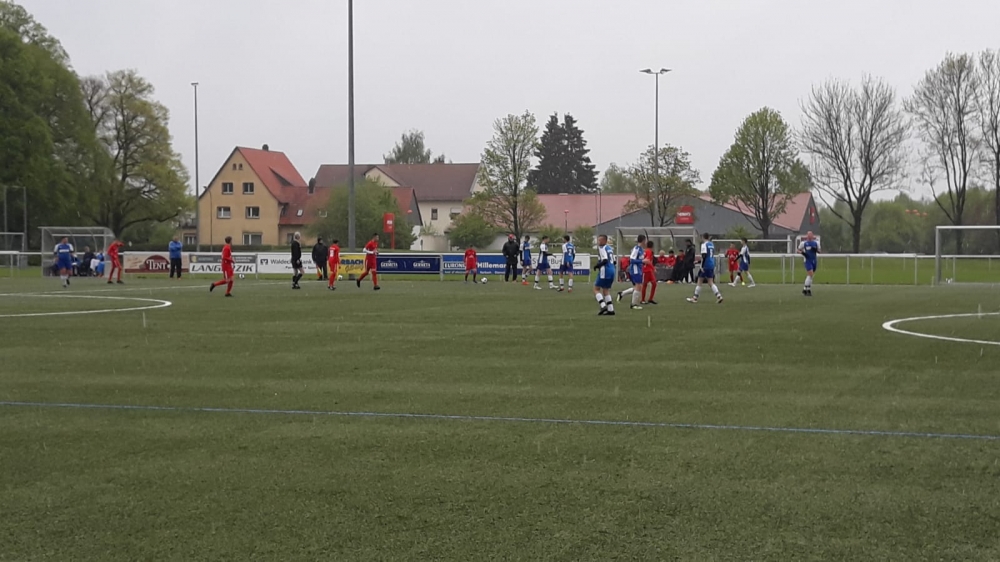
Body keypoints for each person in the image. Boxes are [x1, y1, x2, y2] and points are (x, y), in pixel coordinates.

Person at [686, 233, 724, 304]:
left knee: (700, 281)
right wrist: (698, 261)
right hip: (711, 264)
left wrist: (702, 266)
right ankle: (719, 296)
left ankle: (695, 298)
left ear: (703, 237)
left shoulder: (704, 245)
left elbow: (704, 256)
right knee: (710, 282)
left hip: (706, 265)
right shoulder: (711, 244)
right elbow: (709, 255)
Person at [617, 234, 646, 310]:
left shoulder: (641, 249)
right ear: (643, 240)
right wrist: (642, 261)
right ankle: (633, 304)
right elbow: (632, 260)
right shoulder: (636, 249)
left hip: (639, 270)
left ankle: (622, 294)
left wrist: (643, 262)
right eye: (645, 240)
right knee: (638, 286)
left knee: (637, 287)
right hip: (635, 270)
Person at [592, 234, 617, 316]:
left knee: (596, 288)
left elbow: (605, 260)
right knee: (606, 289)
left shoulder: (602, 248)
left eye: (600, 240)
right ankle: (611, 309)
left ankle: (603, 306)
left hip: (605, 271)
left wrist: (597, 266)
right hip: (612, 270)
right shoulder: (610, 248)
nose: (598, 242)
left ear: (605, 241)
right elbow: (614, 261)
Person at [799, 231, 820, 296]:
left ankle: (806, 289)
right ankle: (807, 289)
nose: (810, 236)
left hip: (814, 260)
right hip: (808, 260)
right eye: (808, 235)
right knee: (810, 274)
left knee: (811, 275)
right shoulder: (804, 243)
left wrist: (815, 250)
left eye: (811, 235)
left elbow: (819, 251)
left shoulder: (816, 243)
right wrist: (803, 253)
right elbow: (798, 250)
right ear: (807, 236)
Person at [641, 240, 658, 305]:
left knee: (653, 284)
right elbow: (648, 261)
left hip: (648, 270)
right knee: (645, 284)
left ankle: (650, 299)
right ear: (652, 246)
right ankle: (643, 300)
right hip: (647, 270)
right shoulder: (649, 251)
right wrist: (653, 268)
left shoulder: (645, 251)